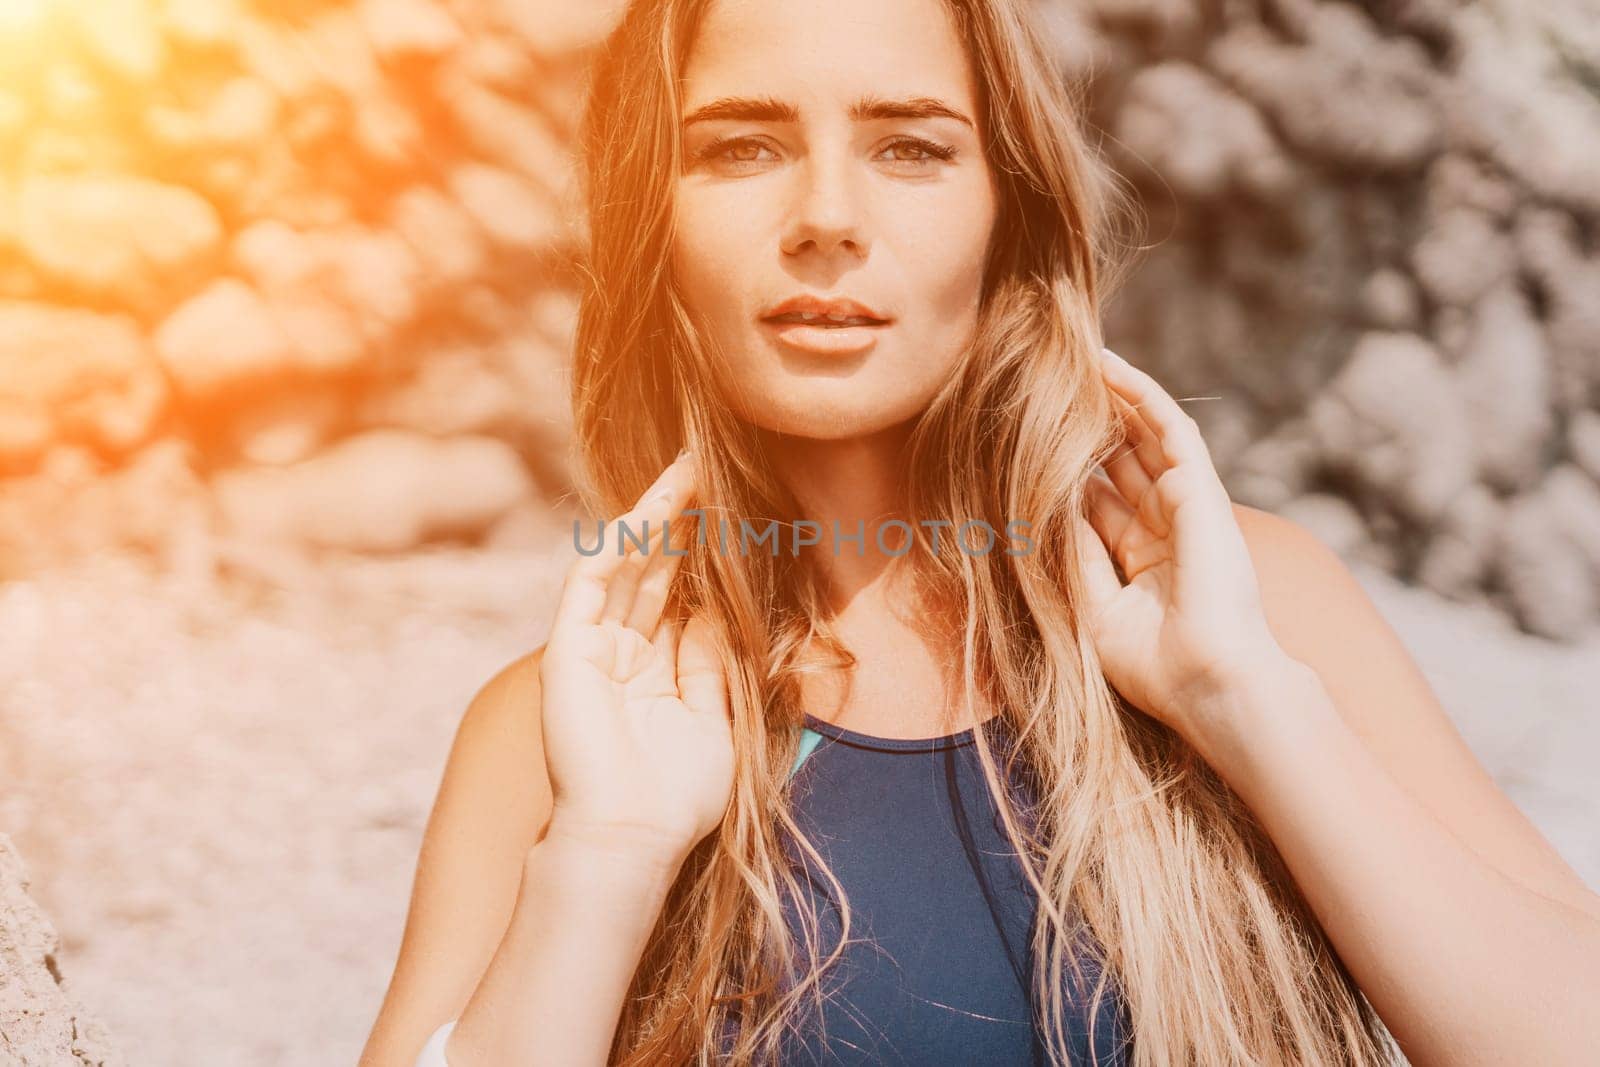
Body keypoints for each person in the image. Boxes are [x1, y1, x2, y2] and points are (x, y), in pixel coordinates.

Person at [359, 0, 1600, 1063]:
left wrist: (1240, 698)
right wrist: (607, 851)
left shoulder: (1247, 609)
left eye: (910, 147)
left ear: (1009, 210)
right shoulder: (563, 731)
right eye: (742, 148)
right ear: (653, 224)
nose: (826, 217)